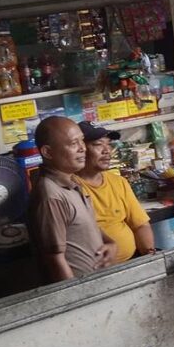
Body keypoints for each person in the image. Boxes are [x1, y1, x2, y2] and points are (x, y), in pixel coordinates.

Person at [27, 116, 117, 283]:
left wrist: (110, 243)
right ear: (48, 152)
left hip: (99, 286)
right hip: (82, 295)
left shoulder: (72, 182)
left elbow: (84, 226)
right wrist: (75, 297)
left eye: (82, 141)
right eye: (73, 143)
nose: (82, 148)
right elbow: (55, 260)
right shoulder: (51, 195)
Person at [75, 121, 156, 263]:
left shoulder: (118, 182)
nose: (107, 150)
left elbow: (140, 225)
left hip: (132, 262)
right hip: (94, 271)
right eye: (98, 144)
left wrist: (149, 255)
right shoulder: (71, 188)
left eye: (109, 144)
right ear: (81, 149)